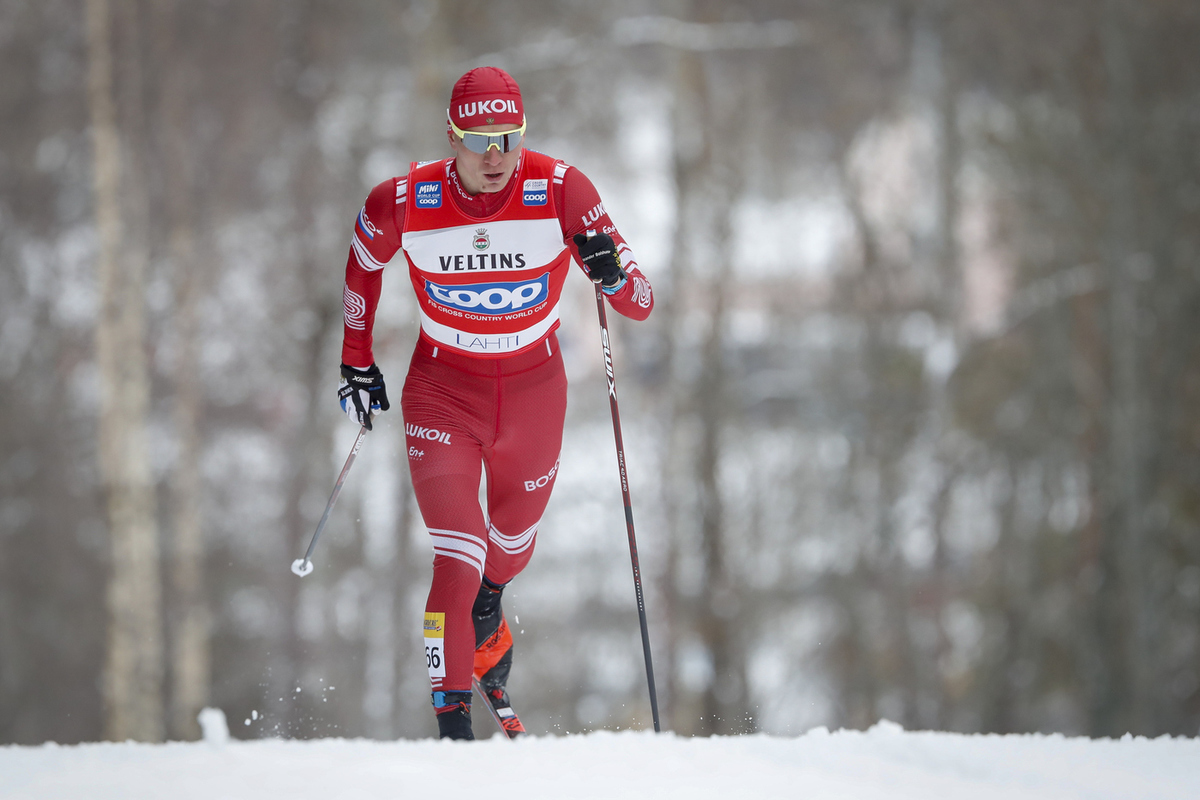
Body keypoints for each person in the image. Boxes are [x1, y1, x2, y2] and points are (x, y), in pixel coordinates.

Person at [335, 66, 654, 740]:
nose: (493, 156)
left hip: (534, 392)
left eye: (506, 137)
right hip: (442, 391)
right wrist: (355, 359)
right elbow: (364, 262)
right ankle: (452, 729)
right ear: (451, 137)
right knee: (459, 550)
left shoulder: (564, 189)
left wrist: (613, 273)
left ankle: (489, 609)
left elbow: (641, 303)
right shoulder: (405, 198)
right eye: (477, 139)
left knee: (509, 548)